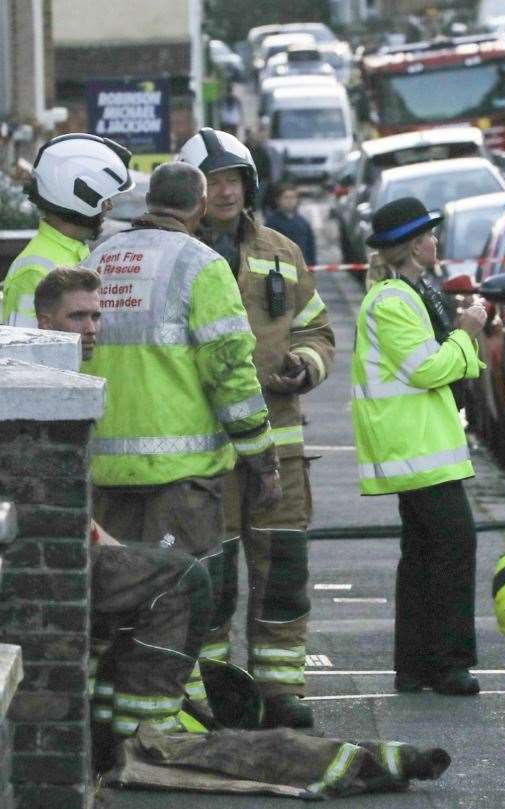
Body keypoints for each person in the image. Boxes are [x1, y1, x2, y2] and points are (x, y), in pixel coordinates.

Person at [80, 161, 280, 705]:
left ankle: (106, 723)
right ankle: (157, 725)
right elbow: (231, 372)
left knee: (114, 604)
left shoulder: (100, 258)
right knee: (174, 605)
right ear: (196, 206)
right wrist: (262, 457)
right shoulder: (201, 264)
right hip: (180, 479)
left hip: (104, 471)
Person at [179, 128, 335, 729]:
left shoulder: (281, 250)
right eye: (212, 181)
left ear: (249, 186)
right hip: (207, 449)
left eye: (233, 180)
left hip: (281, 442)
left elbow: (316, 329)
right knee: (212, 576)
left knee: (283, 572)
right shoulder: (183, 255)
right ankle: (218, 688)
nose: (224, 192)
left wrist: (306, 363)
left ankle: (280, 689)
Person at [34, 266, 214, 767]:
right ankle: (145, 735)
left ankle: (112, 728)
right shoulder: (46, 383)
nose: (91, 328)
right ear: (45, 322)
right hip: (47, 560)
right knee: (185, 580)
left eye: (96, 315)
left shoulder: (72, 375)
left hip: (64, 547)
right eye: (77, 317)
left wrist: (108, 541)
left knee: (160, 573)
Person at [351, 197, 487, 697]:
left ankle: (415, 667)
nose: (435, 242)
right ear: (413, 245)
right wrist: (467, 333)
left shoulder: (410, 293)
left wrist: (460, 340)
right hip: (415, 447)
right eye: (429, 236)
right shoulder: (393, 301)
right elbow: (426, 368)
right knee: (453, 546)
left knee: (426, 554)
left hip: (421, 444)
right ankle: (447, 665)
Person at [2, 133, 132, 327]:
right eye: (105, 197)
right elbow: (25, 352)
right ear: (81, 195)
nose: (109, 206)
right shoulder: (35, 270)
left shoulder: (74, 254)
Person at [265, 182, 317, 266]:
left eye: (293, 198)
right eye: (286, 198)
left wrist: (311, 265)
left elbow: (310, 247)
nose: (290, 201)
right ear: (278, 200)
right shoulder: (271, 223)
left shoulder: (303, 223)